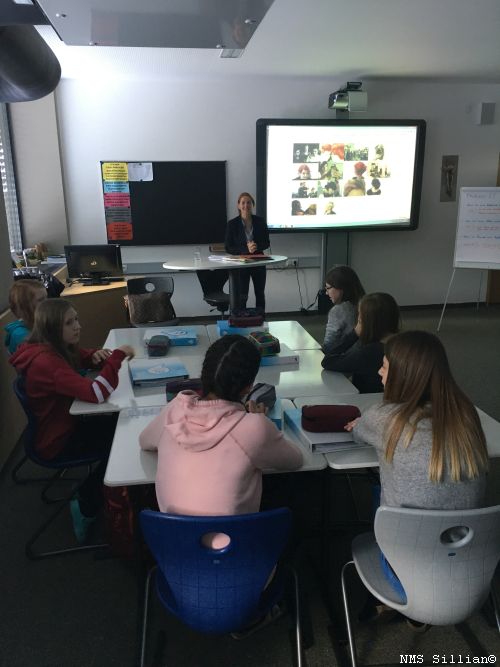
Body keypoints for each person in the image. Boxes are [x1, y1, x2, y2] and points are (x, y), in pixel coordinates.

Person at [345, 330, 488, 602]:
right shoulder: (467, 415)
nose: (378, 372)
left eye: (384, 366)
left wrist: (361, 424)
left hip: (405, 577)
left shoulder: (384, 418)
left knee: (377, 489)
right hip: (469, 571)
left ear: (403, 375)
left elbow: (357, 433)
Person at [139, 335, 303, 548]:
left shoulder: (173, 411)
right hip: (238, 557)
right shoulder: (254, 427)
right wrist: (262, 422)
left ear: (203, 375)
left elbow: (144, 441)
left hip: (174, 555)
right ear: (248, 387)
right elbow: (295, 460)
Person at [9, 298, 135, 541]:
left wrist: (94, 356)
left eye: (76, 319)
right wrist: (117, 356)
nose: (78, 326)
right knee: (122, 447)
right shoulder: (46, 362)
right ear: (52, 328)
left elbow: (77, 356)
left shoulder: (47, 348)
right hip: (59, 441)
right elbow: (97, 393)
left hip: (63, 427)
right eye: (69, 323)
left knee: (124, 427)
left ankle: (116, 492)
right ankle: (87, 504)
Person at [321, 292, 400, 393]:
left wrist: (355, 333)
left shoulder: (369, 352)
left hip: (366, 400)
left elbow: (328, 361)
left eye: (360, 319)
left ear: (367, 322)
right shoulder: (404, 344)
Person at [225, 192, 270, 311]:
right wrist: (246, 249)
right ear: (238, 205)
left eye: (249, 202)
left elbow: (267, 242)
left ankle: (261, 319)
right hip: (241, 264)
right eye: (243, 203)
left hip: (258, 262)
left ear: (252, 205)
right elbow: (228, 247)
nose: (246, 205)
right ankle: (242, 319)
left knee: (260, 294)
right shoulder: (232, 224)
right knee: (242, 296)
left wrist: (256, 246)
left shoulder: (260, 221)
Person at [322, 266, 365, 354]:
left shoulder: (338, 310)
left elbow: (329, 347)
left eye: (328, 288)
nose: (326, 293)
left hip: (347, 358)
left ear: (340, 287)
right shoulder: (367, 303)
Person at [5, 279, 47, 354]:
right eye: (41, 300)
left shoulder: (36, 323)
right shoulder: (21, 336)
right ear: (24, 306)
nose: (47, 303)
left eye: (46, 297)